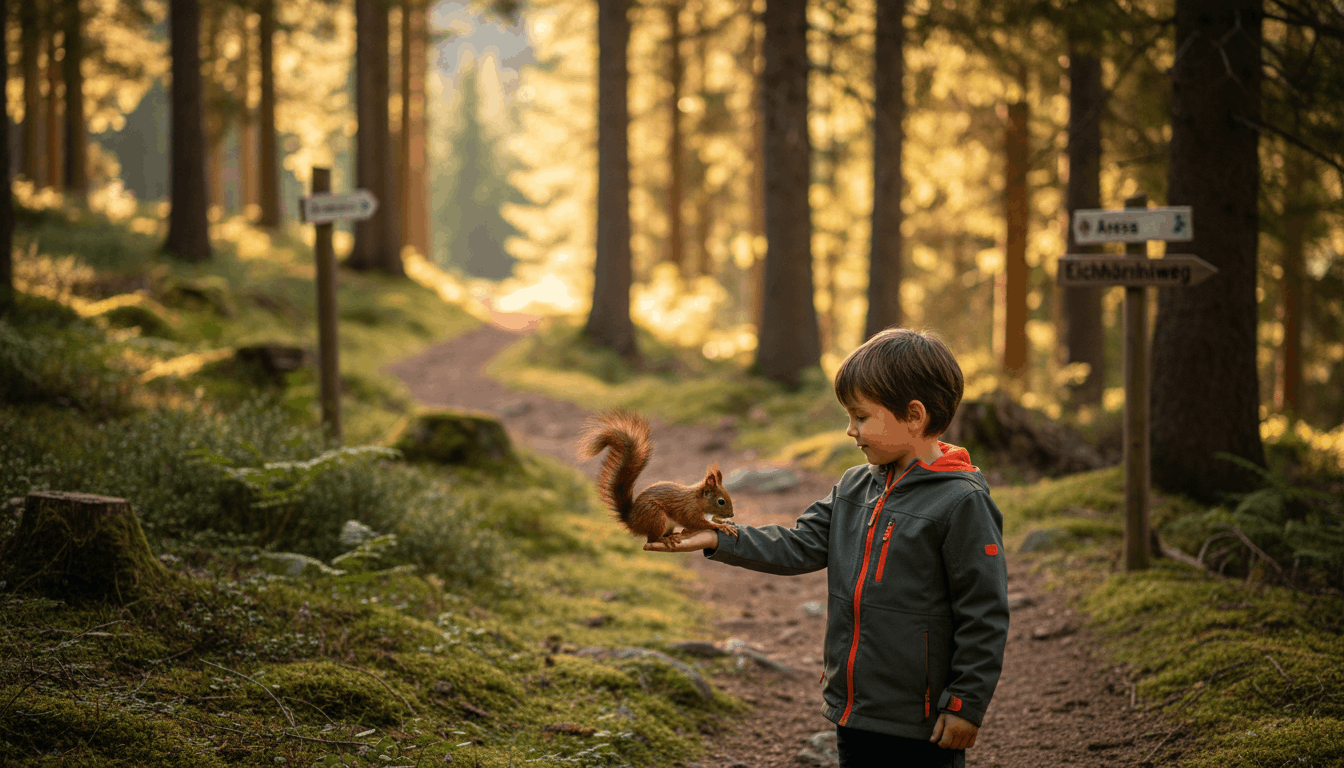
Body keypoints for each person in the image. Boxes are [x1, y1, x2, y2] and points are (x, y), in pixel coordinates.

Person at [644, 327, 1009, 768]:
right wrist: (719, 537)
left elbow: (984, 612)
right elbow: (799, 544)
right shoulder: (855, 485)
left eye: (861, 417)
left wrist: (965, 704)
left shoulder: (962, 502)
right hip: (852, 707)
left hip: (922, 719)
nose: (850, 430)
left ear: (914, 416)